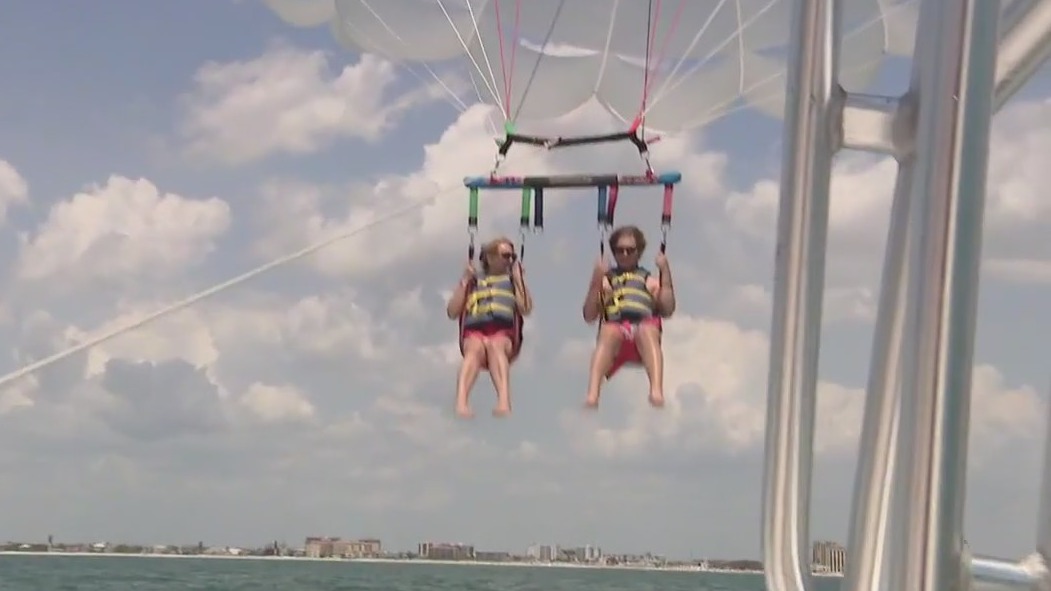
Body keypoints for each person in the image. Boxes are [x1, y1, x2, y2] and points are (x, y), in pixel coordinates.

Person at [581, 225, 675, 409]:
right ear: (613, 252)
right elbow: (589, 315)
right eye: (619, 250)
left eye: (630, 250)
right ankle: (593, 393)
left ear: (638, 252)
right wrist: (596, 278)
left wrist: (665, 272)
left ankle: (656, 389)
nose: (624, 254)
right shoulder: (607, 280)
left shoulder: (647, 279)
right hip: (616, 333)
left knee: (647, 330)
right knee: (609, 331)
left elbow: (668, 309)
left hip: (643, 333)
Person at [446, 237, 533, 418]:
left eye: (513, 256)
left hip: (504, 333)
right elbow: (452, 312)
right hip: (474, 332)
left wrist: (519, 281)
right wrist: (464, 281)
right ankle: (461, 402)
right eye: (506, 255)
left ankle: (503, 400)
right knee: (474, 348)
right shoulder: (472, 281)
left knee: (495, 345)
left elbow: (525, 309)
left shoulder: (512, 281)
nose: (510, 260)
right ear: (490, 257)